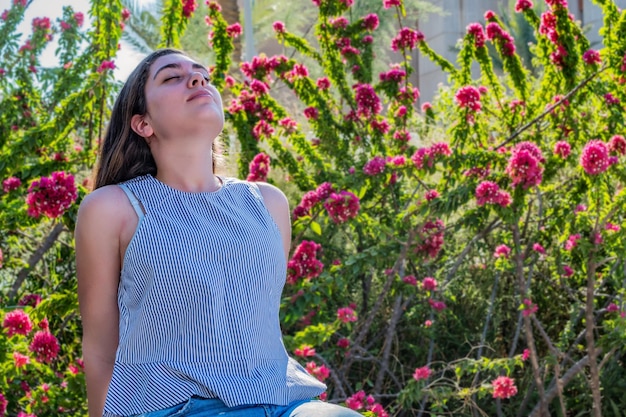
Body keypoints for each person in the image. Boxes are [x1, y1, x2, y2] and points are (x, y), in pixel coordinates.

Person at [75, 48, 362, 417]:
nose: (197, 80)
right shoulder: (112, 208)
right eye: (172, 77)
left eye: (202, 76)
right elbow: (100, 348)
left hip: (283, 402)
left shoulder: (268, 204)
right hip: (175, 408)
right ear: (143, 123)